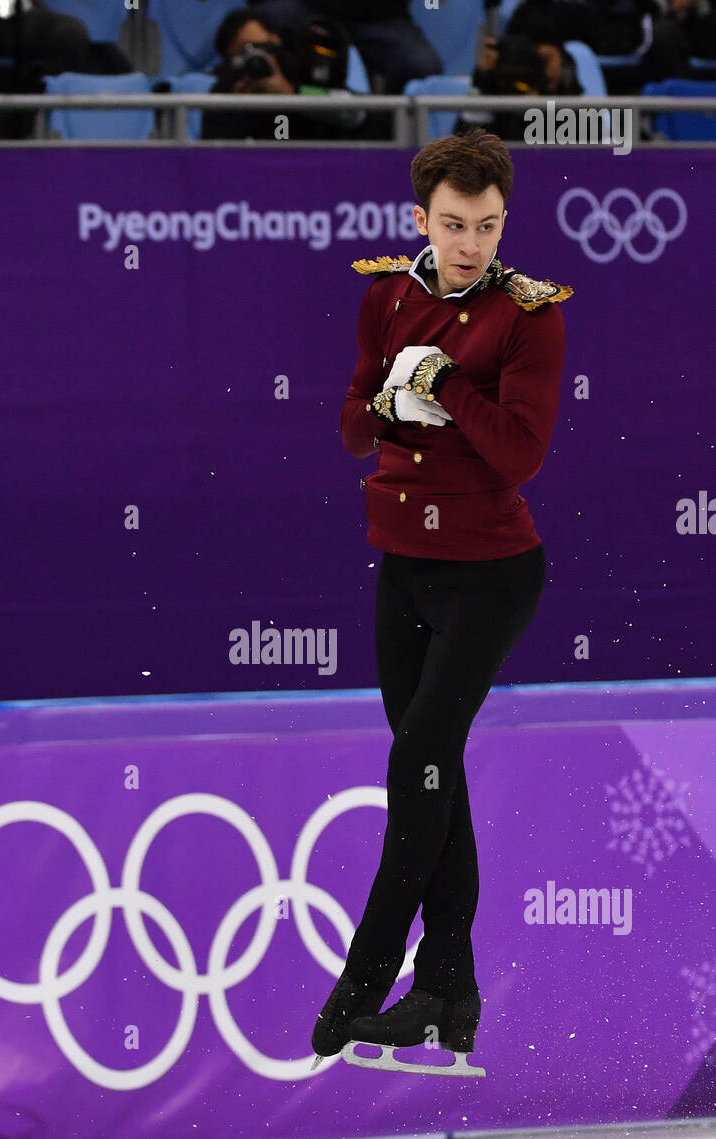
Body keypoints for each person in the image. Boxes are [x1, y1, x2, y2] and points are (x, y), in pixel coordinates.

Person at [311, 128, 573, 1069]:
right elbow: (347, 427)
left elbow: (521, 453)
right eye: (455, 225)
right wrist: (388, 404)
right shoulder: (386, 294)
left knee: (421, 752)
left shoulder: (530, 318)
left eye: (489, 227)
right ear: (420, 219)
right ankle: (448, 992)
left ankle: (367, 976)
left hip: (491, 574)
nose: (472, 245)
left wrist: (450, 386)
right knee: (434, 771)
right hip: (402, 568)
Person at [201, 8, 364, 142]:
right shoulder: (226, 88)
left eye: (262, 47)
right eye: (244, 54)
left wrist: (289, 93)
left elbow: (356, 114)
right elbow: (214, 155)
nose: (256, 57)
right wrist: (237, 106)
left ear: (276, 39)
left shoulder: (306, 72)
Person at [247, 0, 442, 93]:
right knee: (268, 17)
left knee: (420, 64)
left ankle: (387, 132)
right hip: (307, 7)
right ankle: (287, 123)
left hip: (383, 16)